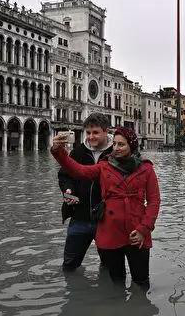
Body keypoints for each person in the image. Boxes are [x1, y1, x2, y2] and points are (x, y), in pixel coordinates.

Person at [52, 126, 160, 287]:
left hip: (137, 232)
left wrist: (144, 229)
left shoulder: (146, 168)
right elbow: (79, 171)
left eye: (121, 144)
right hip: (110, 231)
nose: (116, 148)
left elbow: (154, 201)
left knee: (141, 281)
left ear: (132, 145)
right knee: (117, 281)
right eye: (115, 144)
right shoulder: (104, 166)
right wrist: (58, 151)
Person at [58, 113, 113, 272]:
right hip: (79, 216)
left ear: (105, 131)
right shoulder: (78, 152)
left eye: (95, 132)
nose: (90, 137)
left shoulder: (116, 152)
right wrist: (68, 190)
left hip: (106, 219)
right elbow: (64, 175)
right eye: (88, 133)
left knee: (109, 267)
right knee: (69, 265)